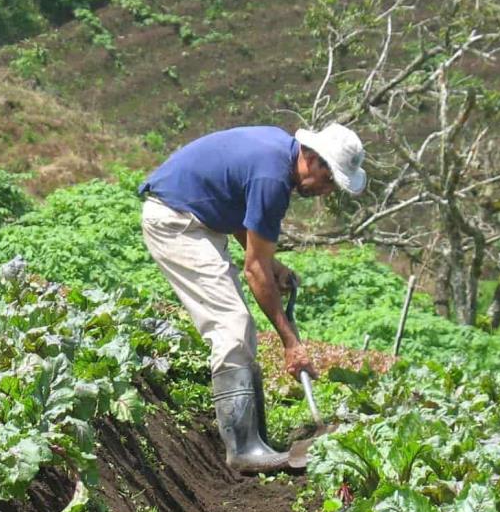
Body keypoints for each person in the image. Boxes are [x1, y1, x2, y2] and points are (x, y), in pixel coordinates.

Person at [139, 124, 367, 473]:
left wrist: (272, 265)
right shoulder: (272, 179)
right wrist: (291, 342)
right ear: (311, 157)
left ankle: (254, 439)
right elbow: (254, 271)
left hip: (199, 219)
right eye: (329, 179)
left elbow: (235, 210)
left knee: (240, 327)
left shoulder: (277, 154)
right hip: (175, 221)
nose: (327, 190)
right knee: (231, 323)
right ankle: (243, 450)